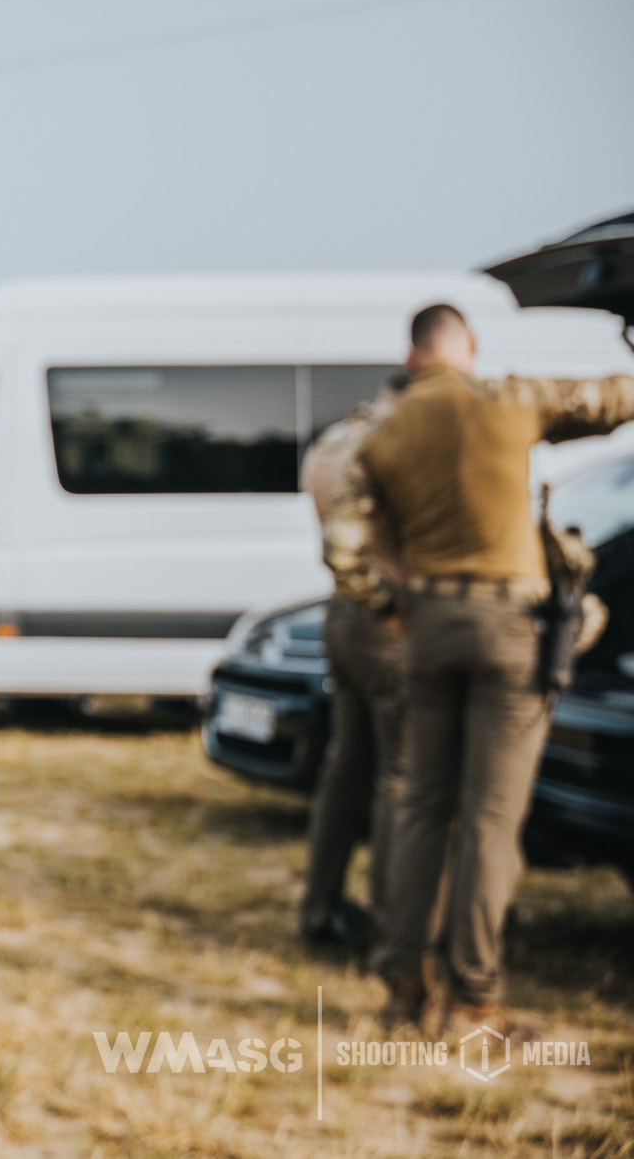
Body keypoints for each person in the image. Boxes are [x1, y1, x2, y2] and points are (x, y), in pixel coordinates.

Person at [325, 303, 634, 1036]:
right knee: (492, 819)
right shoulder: (509, 398)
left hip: (426, 627)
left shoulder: (379, 436)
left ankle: (402, 989)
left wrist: (397, 610)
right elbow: (613, 399)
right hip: (510, 626)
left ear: (411, 357)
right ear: (469, 348)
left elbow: (344, 551)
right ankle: (472, 1001)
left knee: (420, 806)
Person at [296, 375, 406, 955]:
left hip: (339, 612)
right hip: (385, 613)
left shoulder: (332, 440)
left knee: (345, 767)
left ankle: (319, 905)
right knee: (399, 776)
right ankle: (393, 925)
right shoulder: (389, 444)